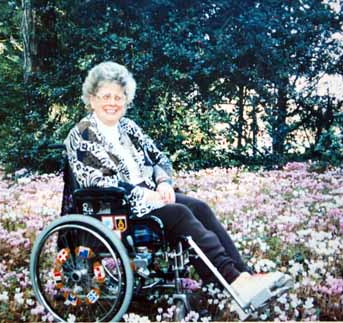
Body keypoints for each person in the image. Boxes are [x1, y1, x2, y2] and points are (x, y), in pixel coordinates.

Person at [64, 61, 291, 307]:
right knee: (179, 214)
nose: (113, 103)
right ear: (92, 99)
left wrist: (163, 182)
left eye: (119, 97)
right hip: (115, 208)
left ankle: (242, 276)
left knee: (200, 207)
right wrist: (141, 194)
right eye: (106, 96)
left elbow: (159, 158)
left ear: (126, 100)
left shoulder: (128, 127)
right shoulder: (82, 133)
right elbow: (95, 180)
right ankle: (233, 280)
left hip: (149, 197)